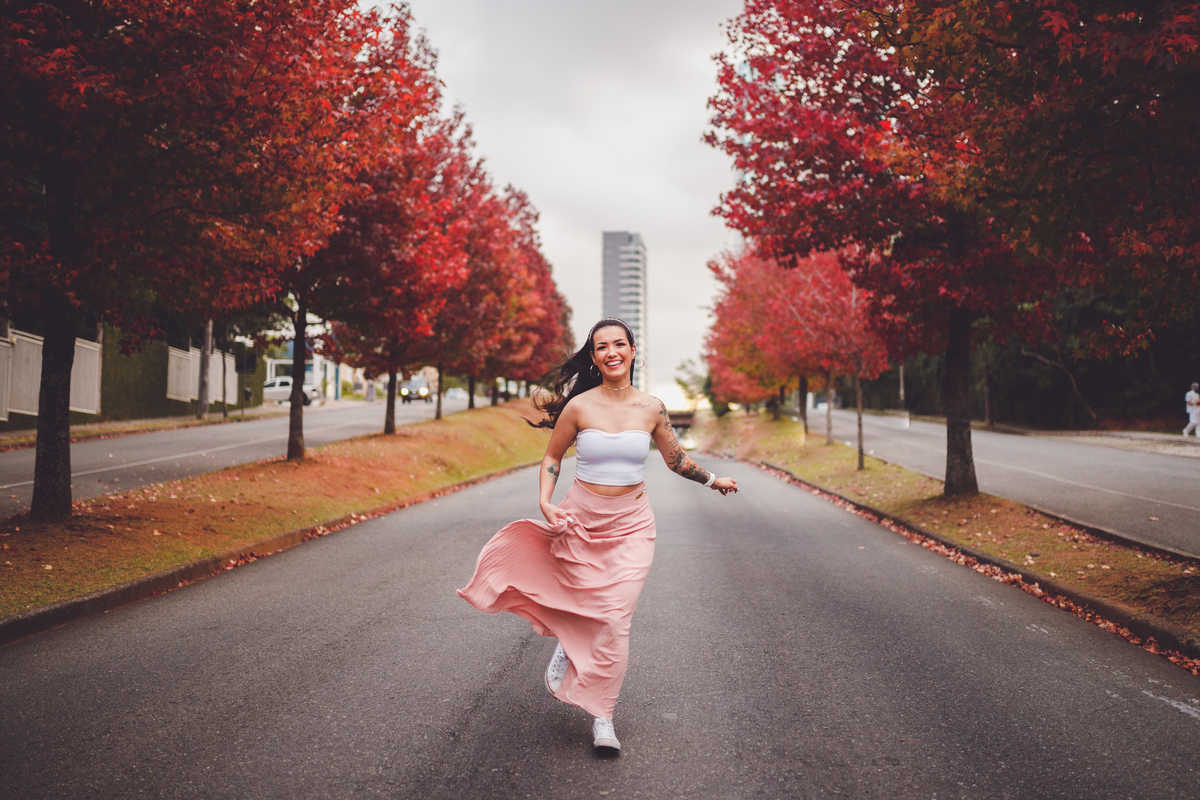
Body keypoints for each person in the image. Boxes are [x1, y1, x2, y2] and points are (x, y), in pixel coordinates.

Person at [457, 318, 738, 752]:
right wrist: (546, 501)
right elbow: (552, 457)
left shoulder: (652, 408)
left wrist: (712, 479)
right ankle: (569, 646)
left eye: (619, 344)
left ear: (631, 351)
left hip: (632, 526)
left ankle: (603, 716)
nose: (611, 352)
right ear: (594, 357)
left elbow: (676, 459)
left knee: (614, 618)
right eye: (601, 346)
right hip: (582, 519)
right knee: (583, 600)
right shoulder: (579, 407)